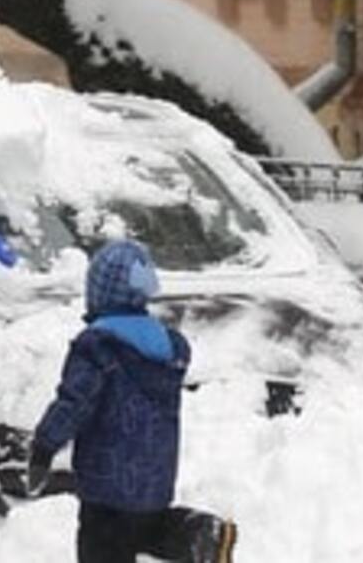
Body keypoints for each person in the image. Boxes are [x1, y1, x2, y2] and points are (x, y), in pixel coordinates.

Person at [24, 240, 238, 563]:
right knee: (147, 530)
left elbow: (73, 403)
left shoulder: (98, 346)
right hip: (156, 478)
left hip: (105, 484)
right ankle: (196, 532)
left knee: (102, 548)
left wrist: (43, 446)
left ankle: (195, 534)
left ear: (100, 292)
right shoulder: (166, 346)